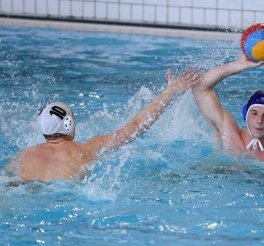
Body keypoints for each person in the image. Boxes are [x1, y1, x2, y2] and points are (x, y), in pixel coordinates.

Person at [4, 66, 200, 182]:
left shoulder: (23, 156)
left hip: (22, 190)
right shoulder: (87, 149)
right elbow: (136, 126)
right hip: (62, 196)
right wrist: (170, 91)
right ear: (69, 124)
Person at [192, 55, 264, 164]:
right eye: (254, 113)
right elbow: (199, 88)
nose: (260, 120)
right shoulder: (229, 133)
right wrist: (239, 65)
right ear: (245, 114)